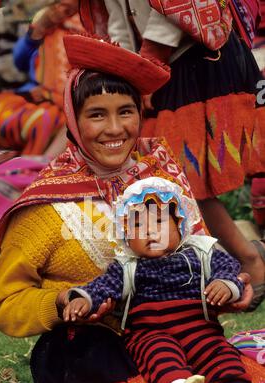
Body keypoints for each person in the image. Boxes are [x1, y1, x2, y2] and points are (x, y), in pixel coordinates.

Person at [0, 34, 265, 383]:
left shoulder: (160, 175)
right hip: (92, 348)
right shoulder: (45, 206)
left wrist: (225, 291)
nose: (115, 129)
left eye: (125, 111)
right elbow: (5, 304)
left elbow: (198, 255)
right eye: (96, 114)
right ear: (73, 120)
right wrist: (63, 302)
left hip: (181, 332)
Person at [78, 0, 265, 311]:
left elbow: (177, 11)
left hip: (196, 59)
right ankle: (230, 260)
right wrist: (129, 74)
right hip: (159, 67)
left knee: (185, 178)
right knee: (170, 176)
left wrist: (150, 64)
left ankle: (249, 260)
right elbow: (118, 21)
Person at [64, 177, 254, 383]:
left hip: (198, 327)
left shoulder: (199, 253)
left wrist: (225, 284)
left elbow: (229, 268)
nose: (151, 232)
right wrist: (83, 299)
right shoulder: (128, 266)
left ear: (180, 225)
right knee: (157, 354)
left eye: (160, 222)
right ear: (126, 236)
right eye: (138, 225)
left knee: (221, 355)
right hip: (150, 331)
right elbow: (103, 286)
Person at [0, 2, 82, 156]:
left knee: (42, 122)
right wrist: (39, 29)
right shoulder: (45, 17)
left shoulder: (91, 23)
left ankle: (31, 169)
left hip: (67, 104)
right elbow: (19, 62)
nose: (63, 7)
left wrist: (54, 96)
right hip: (32, 95)